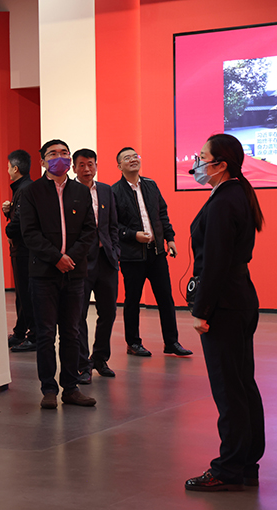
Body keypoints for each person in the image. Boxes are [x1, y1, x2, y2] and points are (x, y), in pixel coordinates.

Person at [184, 134, 265, 492]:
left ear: (220, 164)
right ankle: (246, 462)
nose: (197, 163)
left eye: (202, 157)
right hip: (240, 299)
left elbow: (215, 262)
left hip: (225, 305)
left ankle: (228, 468)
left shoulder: (224, 201)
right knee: (242, 383)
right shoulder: (237, 194)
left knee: (228, 389)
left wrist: (202, 310)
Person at [20, 139, 97, 409]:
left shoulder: (81, 191)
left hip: (74, 273)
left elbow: (90, 230)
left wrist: (70, 258)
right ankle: (48, 389)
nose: (59, 157)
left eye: (64, 153)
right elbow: (29, 233)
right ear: (43, 161)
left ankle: (71, 388)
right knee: (45, 334)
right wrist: (56, 258)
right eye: (53, 154)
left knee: (71, 332)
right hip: (43, 273)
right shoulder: (32, 192)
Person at [112, 147, 192, 357]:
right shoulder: (114, 191)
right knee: (133, 301)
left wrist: (170, 239)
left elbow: (162, 214)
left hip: (156, 253)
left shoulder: (151, 185)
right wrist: (133, 235)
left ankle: (171, 342)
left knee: (166, 298)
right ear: (119, 166)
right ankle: (133, 343)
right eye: (127, 158)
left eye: (135, 156)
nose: (132, 160)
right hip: (131, 256)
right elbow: (113, 226)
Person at [72, 149, 119, 383]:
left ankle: (100, 358)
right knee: (78, 314)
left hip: (106, 260)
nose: (87, 169)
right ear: (74, 168)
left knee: (108, 312)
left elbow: (112, 225)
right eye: (81, 165)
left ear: (96, 166)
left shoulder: (106, 190)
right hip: (80, 262)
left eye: (90, 164)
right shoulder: (69, 192)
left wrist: (115, 251)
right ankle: (83, 365)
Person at [3, 149, 37, 352]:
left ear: (15, 169)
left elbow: (21, 221)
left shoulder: (25, 189)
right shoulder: (23, 188)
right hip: (22, 249)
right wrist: (8, 213)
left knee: (27, 293)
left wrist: (8, 229)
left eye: (8, 167)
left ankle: (34, 335)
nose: (7, 170)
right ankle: (20, 332)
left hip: (25, 250)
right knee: (22, 293)